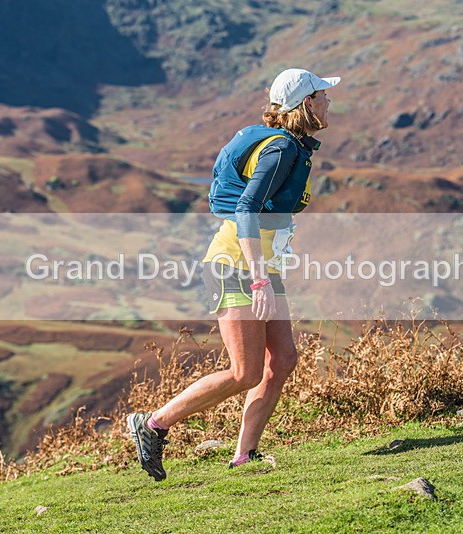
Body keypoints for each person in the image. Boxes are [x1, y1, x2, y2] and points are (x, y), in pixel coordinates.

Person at [127, 68, 340, 481]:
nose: (330, 102)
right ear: (306, 104)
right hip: (235, 267)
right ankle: (153, 423)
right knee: (246, 372)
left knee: (283, 360)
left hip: (261, 266)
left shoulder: (293, 147)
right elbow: (245, 209)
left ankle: (244, 456)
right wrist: (259, 278)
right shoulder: (280, 150)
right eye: (323, 95)